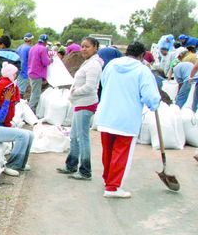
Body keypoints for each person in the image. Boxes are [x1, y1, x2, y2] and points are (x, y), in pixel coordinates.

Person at [94, 41, 161, 198]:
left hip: (106, 116)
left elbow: (104, 83)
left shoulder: (111, 65)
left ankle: (108, 180)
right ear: (142, 55)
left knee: (108, 151)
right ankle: (113, 187)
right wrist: (154, 104)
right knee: (121, 153)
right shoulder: (143, 71)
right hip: (126, 119)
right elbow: (150, 96)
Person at [56, 37, 104, 180]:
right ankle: (71, 165)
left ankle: (85, 171)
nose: (84, 49)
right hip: (80, 103)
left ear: (95, 47)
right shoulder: (88, 62)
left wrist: (74, 92)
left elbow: (90, 86)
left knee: (82, 138)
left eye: (87, 46)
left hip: (86, 104)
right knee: (74, 136)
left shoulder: (94, 65)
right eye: (82, 46)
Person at [0, 72, 33, 177]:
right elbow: (1, 117)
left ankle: (21, 163)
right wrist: (6, 101)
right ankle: (12, 165)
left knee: (30, 134)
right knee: (22, 136)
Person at [27, 33, 51, 113]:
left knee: (33, 92)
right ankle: (30, 112)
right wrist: (51, 60)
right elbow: (45, 62)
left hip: (31, 72)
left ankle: (31, 110)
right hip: (37, 74)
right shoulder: (43, 49)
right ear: (45, 41)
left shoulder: (33, 47)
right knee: (36, 94)